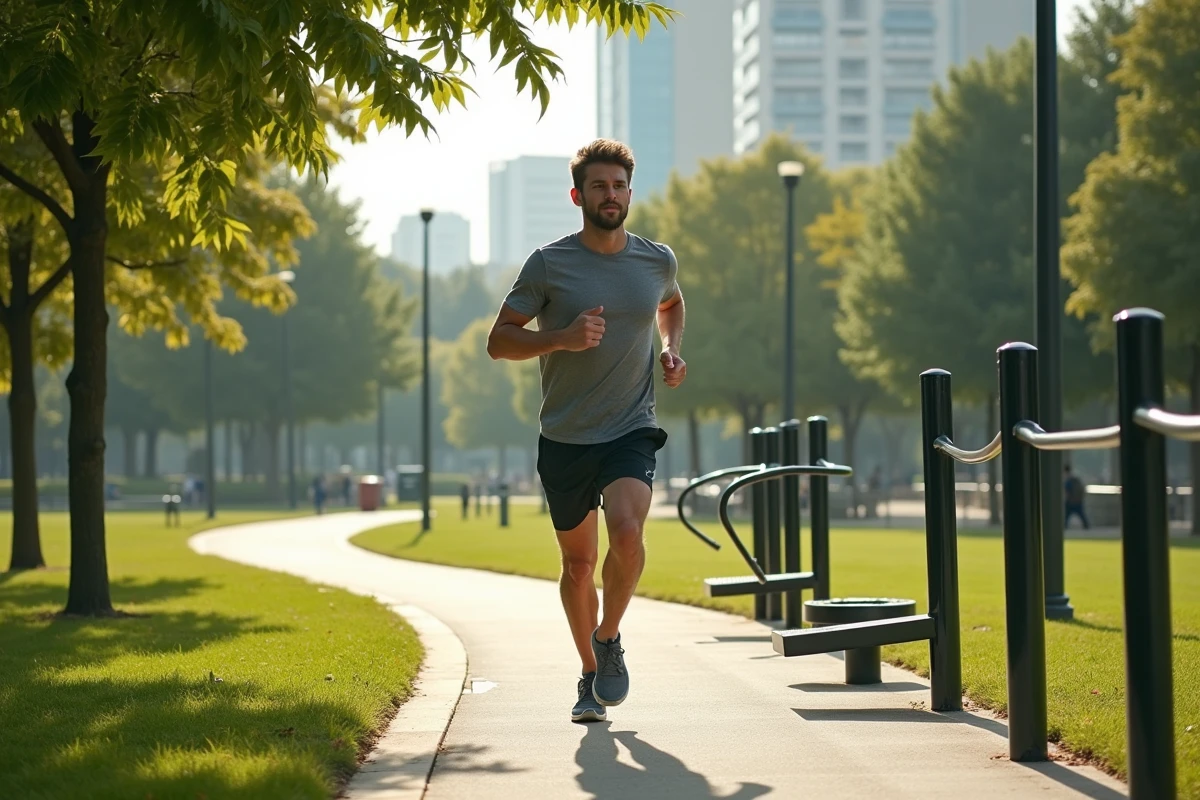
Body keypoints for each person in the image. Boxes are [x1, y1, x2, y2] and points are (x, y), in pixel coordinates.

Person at [487, 138, 687, 724]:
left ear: (630, 193)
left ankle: (609, 637)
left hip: (631, 426)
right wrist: (560, 338)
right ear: (578, 195)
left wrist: (672, 350)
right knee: (578, 566)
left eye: (619, 186)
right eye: (599, 186)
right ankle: (589, 672)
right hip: (567, 435)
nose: (611, 195)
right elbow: (499, 341)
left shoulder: (657, 260)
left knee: (628, 532)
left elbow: (670, 305)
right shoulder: (550, 263)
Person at [1064, 465, 1089, 529]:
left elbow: (1067, 491)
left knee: (1067, 515)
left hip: (1070, 502)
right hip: (1078, 501)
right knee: (1081, 515)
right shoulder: (1075, 479)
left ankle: (1064, 526)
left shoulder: (1068, 480)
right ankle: (1087, 526)